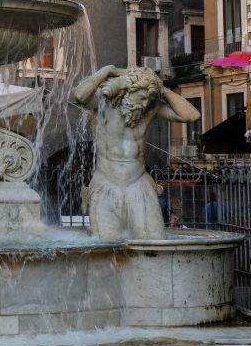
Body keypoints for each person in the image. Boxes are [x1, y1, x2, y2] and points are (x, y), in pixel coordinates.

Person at [73, 65, 201, 241]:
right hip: (106, 184)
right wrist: (107, 71)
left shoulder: (150, 108)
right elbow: (79, 95)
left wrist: (161, 89)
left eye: (148, 100)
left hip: (138, 184)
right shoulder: (104, 104)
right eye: (141, 97)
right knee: (106, 246)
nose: (143, 104)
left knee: (154, 240)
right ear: (128, 90)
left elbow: (191, 115)